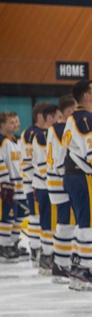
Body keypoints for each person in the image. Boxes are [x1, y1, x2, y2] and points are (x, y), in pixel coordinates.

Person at [62, 80, 92, 291]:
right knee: (91, 224)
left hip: (75, 176)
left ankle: (79, 268)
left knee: (84, 224)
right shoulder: (86, 118)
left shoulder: (74, 118)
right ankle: (85, 270)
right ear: (86, 96)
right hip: (85, 177)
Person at [46, 95, 79, 283]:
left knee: (65, 223)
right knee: (66, 224)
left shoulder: (53, 129)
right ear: (69, 112)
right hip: (61, 182)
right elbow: (61, 158)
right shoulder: (62, 128)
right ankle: (60, 264)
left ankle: (61, 261)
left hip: (54, 181)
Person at [27, 103, 58, 273]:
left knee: (47, 222)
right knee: (49, 223)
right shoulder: (46, 137)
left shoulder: (38, 137)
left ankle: (46, 256)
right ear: (50, 118)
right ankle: (47, 256)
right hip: (47, 185)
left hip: (41, 185)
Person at [0, 111, 25, 262]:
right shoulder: (2, 142)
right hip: (8, 187)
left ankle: (13, 243)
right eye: (12, 122)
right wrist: (5, 183)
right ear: (2, 125)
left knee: (19, 216)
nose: (16, 124)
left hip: (20, 186)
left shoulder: (18, 140)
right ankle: (3, 245)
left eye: (17, 121)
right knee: (7, 217)